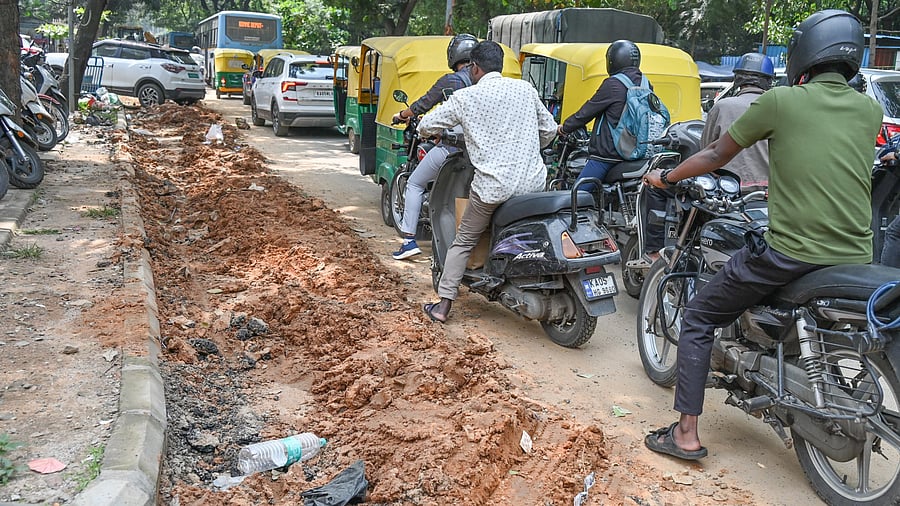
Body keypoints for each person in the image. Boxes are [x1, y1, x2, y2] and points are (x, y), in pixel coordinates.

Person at [641, 9, 883, 461]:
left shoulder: (782, 102)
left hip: (792, 252)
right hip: (855, 254)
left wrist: (668, 178)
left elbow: (714, 151)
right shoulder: (870, 109)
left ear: (804, 53)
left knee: (697, 317)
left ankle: (686, 435)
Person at [418, 40, 557, 323]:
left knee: (464, 240)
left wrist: (427, 132)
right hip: (533, 184)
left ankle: (443, 306)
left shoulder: (466, 97)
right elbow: (549, 130)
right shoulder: (525, 89)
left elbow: (426, 126)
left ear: (474, 68)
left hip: (494, 187)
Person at [638, 52, 775, 267]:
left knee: (656, 187)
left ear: (738, 79)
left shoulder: (724, 106)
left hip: (727, 195)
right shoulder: (778, 109)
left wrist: (667, 176)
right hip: (766, 196)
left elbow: (708, 151)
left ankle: (654, 251)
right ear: (768, 81)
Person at [390, 34, 478, 260]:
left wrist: (401, 115)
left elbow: (422, 105)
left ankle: (409, 241)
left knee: (415, 183)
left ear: (454, 56)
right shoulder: (484, 82)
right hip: (481, 153)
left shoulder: (451, 81)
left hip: (453, 150)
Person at [557, 40, 652, 186]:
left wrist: (564, 128)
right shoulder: (645, 83)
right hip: (636, 151)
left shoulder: (613, 83)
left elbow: (587, 112)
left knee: (577, 196)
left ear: (613, 60)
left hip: (608, 156)